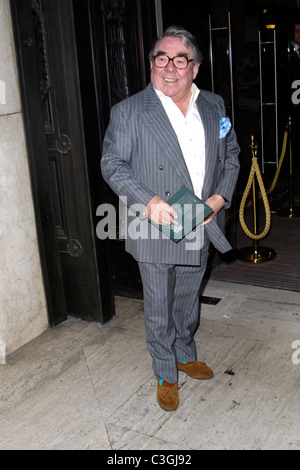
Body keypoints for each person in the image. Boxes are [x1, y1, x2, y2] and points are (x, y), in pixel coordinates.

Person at [101, 25, 240, 411]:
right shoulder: (129, 111)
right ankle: (165, 371)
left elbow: (231, 156)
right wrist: (147, 202)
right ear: (151, 64)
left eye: (180, 60)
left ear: (194, 68)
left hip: (200, 218)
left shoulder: (214, 105)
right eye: (161, 58)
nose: (169, 67)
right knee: (159, 306)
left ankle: (184, 352)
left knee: (186, 299)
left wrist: (219, 197)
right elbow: (112, 164)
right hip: (155, 222)